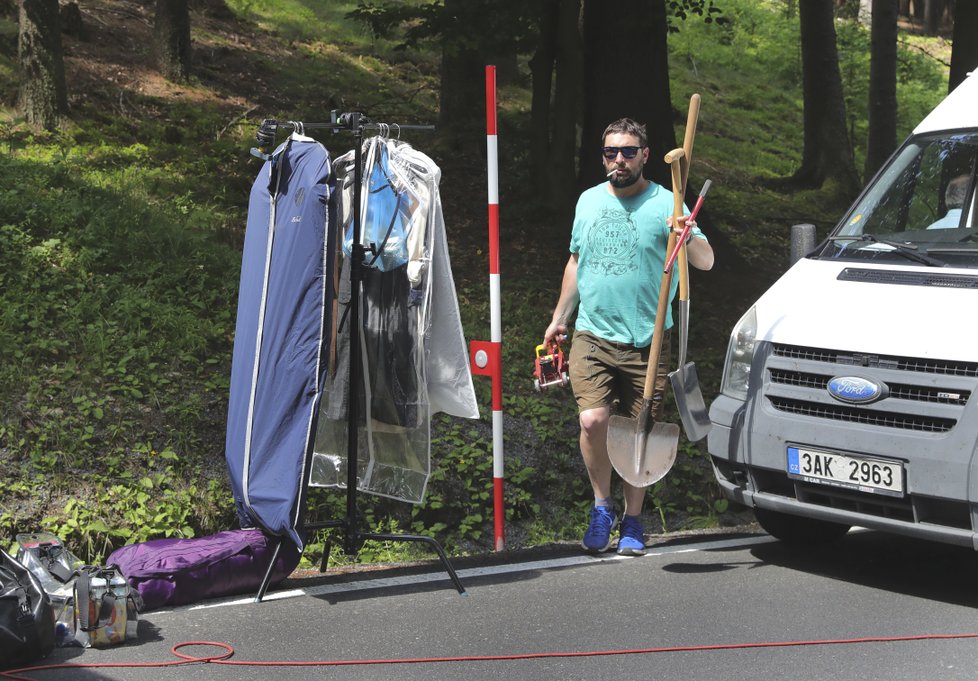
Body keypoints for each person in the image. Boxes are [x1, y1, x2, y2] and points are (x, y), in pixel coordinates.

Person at [543, 118, 714, 556]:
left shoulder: (668, 204)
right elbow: (576, 262)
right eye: (611, 152)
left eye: (628, 151)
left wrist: (685, 232)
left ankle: (634, 520)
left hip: (649, 340)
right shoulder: (588, 201)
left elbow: (706, 261)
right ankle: (602, 508)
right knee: (593, 421)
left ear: (645, 156)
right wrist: (561, 315)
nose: (619, 160)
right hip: (594, 335)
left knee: (642, 429)